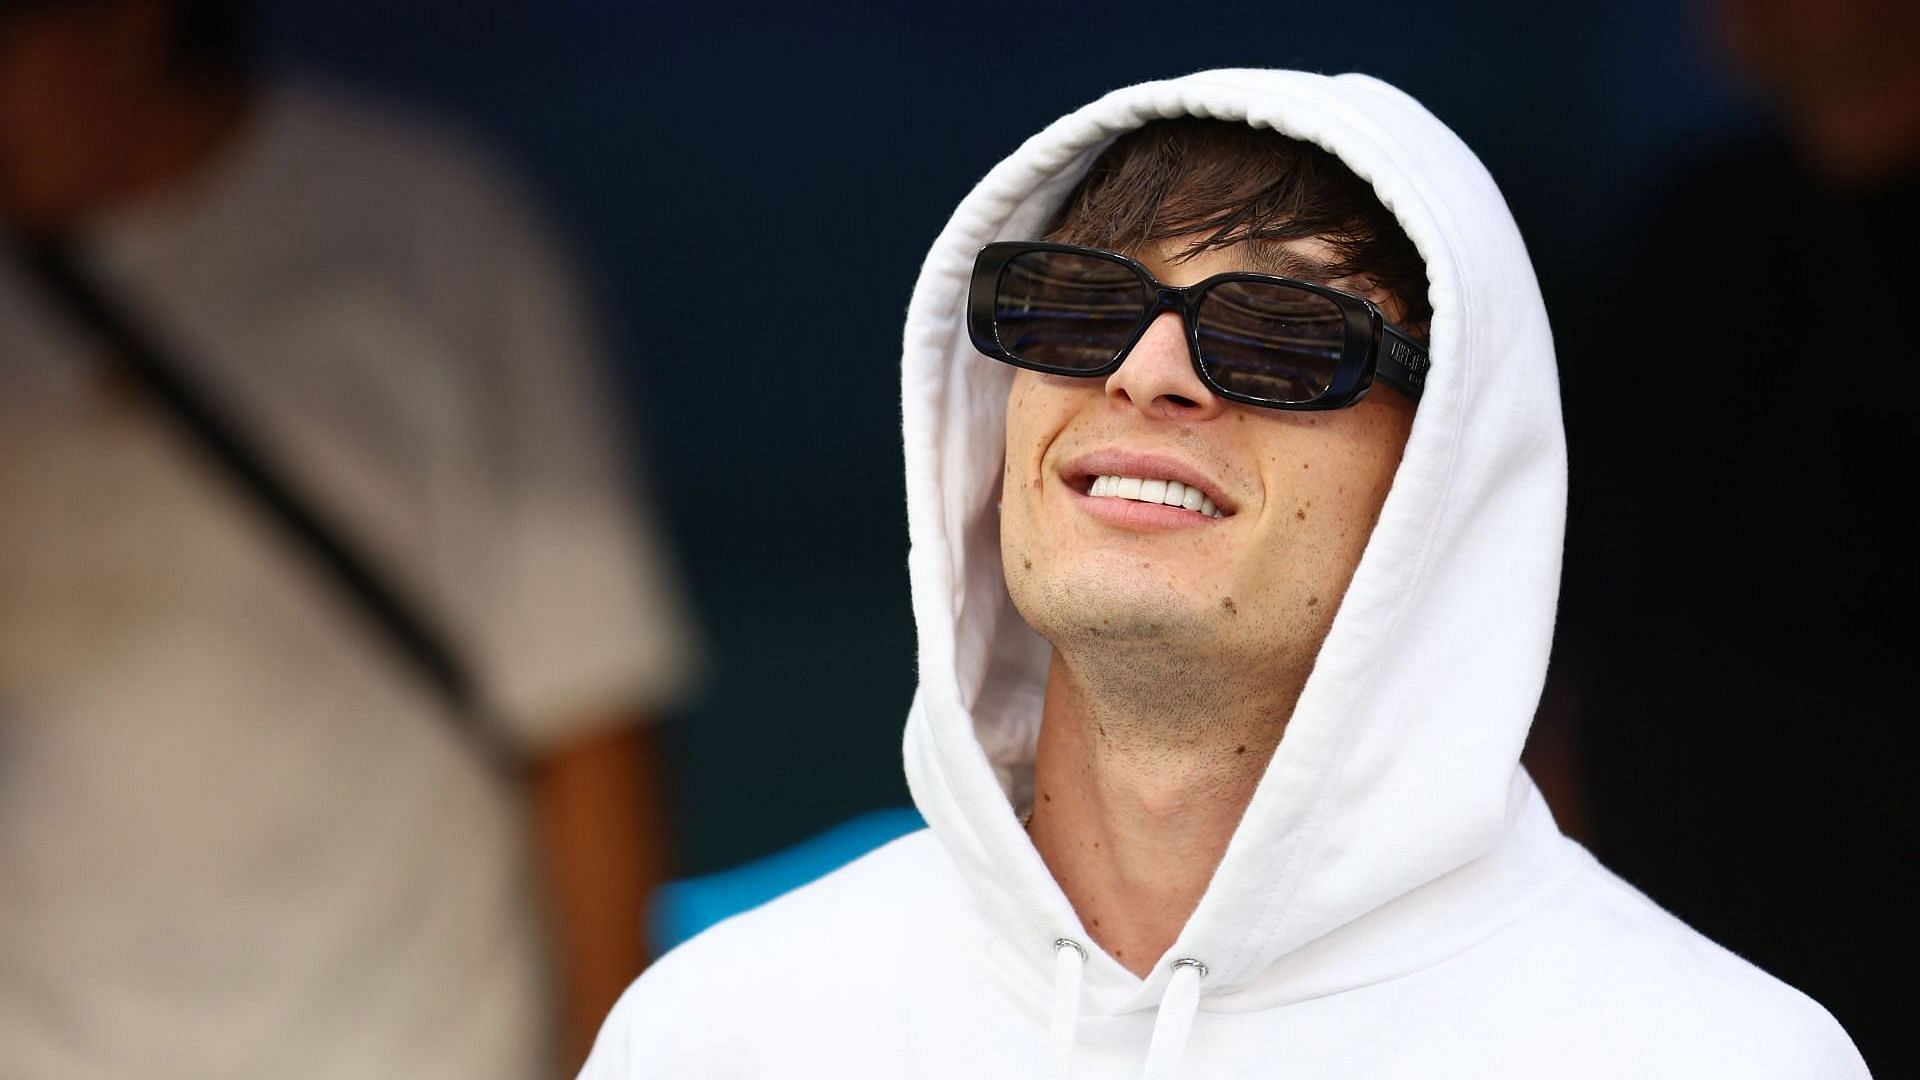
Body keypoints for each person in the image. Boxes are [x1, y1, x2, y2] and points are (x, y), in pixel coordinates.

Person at [581, 70, 1864, 1077]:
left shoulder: (1712, 1056)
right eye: (1078, 305)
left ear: (1449, 471)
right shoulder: (722, 1033)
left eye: (1279, 335)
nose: (1146, 373)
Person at [0, 1, 696, 1077]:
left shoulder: (428, 230)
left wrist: (606, 1057)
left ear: (132, 23)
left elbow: (588, 713)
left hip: (396, 1044)